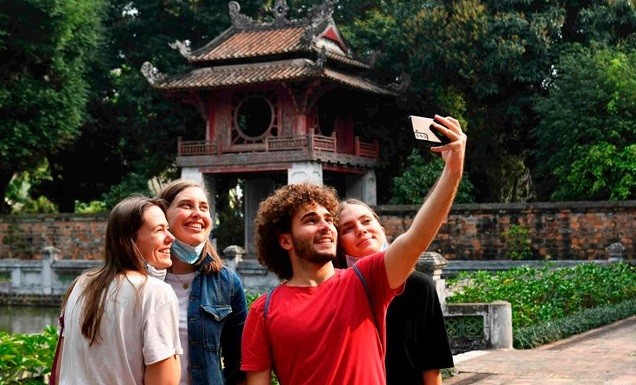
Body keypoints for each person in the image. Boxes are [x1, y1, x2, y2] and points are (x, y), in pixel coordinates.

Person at [241, 114, 466, 385]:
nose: (325, 226)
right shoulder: (263, 312)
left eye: (328, 219)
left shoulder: (365, 281)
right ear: (285, 240)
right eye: (311, 220)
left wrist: (453, 172)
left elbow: (417, 238)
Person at [54, 196, 182, 385]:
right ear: (128, 241)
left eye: (168, 229)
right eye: (159, 230)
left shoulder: (81, 286)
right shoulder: (156, 293)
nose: (170, 238)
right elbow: (165, 382)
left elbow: (59, 371)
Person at [337, 198, 454, 385]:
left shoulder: (418, 286)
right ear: (339, 246)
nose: (360, 229)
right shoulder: (337, 293)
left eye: (366, 221)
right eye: (348, 229)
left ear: (382, 231)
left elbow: (431, 366)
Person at [157, 179, 247, 385]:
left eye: (204, 207)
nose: (197, 213)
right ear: (162, 215)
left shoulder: (227, 282)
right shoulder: (142, 280)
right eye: (186, 205)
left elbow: (239, 361)